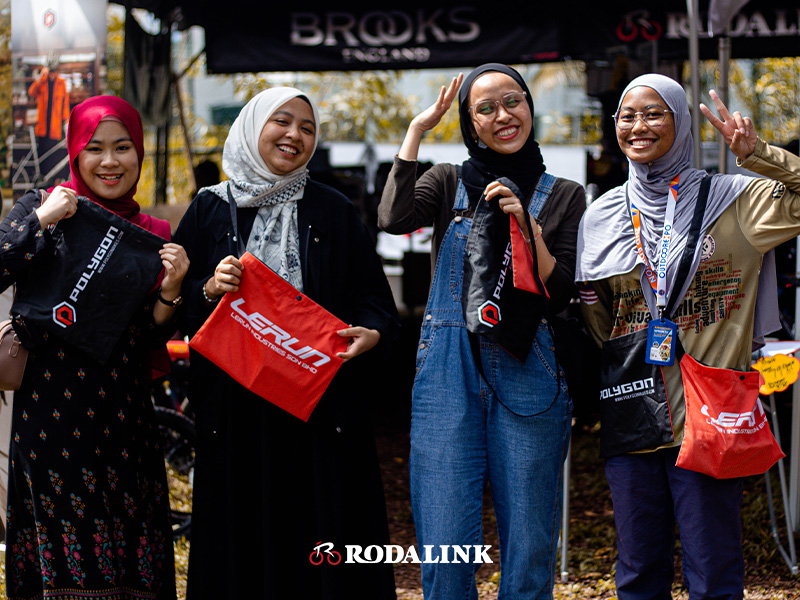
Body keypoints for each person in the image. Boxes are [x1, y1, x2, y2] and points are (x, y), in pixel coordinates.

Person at [576, 73, 800, 599]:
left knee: (714, 567)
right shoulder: (603, 214)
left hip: (710, 412)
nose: (638, 126)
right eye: (627, 116)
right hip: (635, 408)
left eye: (654, 113)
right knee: (637, 569)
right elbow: (598, 317)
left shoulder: (736, 202)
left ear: (679, 122)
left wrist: (757, 152)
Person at [173, 87, 399, 600]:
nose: (295, 135)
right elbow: (173, 304)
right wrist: (209, 288)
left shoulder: (333, 209)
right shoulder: (209, 210)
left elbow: (372, 298)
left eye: (307, 127)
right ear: (253, 127)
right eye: (282, 121)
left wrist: (371, 331)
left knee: (319, 535)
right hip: (234, 414)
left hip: (317, 410)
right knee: (242, 537)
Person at [378, 63, 584, 599]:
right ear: (471, 123)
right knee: (445, 544)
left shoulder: (564, 195)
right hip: (448, 371)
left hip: (529, 370)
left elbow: (560, 291)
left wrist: (527, 230)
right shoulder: (447, 182)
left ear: (529, 108)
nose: (503, 116)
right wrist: (418, 131)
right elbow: (394, 218)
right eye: (485, 108)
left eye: (512, 101)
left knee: (528, 546)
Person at [0, 95, 188, 599]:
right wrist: (41, 220)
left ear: (139, 154)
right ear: (76, 154)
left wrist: (171, 292)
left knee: (128, 550)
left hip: (125, 418)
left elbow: (148, 339)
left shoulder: (153, 235)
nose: (110, 162)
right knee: (64, 549)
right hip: (50, 416)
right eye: (95, 148)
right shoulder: (42, 207)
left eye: (123, 147)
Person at [28, 52, 71, 185]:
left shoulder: (62, 83)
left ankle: (55, 182)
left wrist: (67, 120)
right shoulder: (42, 82)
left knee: (56, 155)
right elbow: (31, 92)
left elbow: (65, 104)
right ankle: (43, 182)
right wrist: (40, 76)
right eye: (49, 71)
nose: (51, 73)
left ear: (57, 71)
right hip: (42, 128)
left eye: (53, 71)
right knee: (43, 156)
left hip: (55, 127)